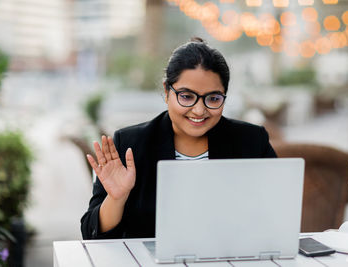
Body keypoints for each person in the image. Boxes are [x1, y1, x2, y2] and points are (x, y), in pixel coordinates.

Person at [81, 38, 277, 240]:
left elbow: (276, 213)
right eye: (186, 96)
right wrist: (117, 198)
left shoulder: (252, 141)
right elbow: (91, 234)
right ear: (167, 91)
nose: (199, 110)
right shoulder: (130, 144)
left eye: (213, 98)